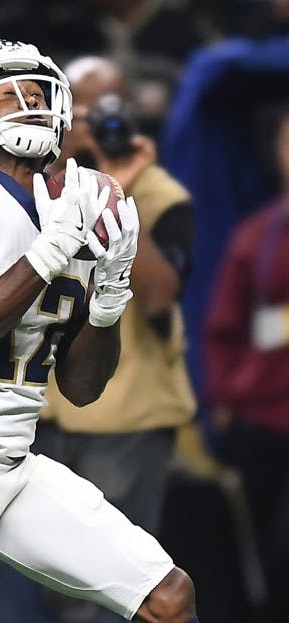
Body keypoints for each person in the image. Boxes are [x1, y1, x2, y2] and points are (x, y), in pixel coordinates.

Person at [0, 39, 197, 623]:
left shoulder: (70, 200)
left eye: (38, 92)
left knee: (168, 598)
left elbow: (81, 388)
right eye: (10, 95)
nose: (32, 106)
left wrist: (109, 296)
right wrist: (49, 252)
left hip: (16, 459)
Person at [0, 55, 197, 623]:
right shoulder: (35, 186)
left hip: (125, 421)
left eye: (104, 109)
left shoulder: (162, 193)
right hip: (41, 413)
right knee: (24, 592)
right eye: (78, 110)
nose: (89, 123)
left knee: (113, 595)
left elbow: (159, 296)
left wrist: (119, 196)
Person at [204, 104, 289, 621]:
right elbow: (223, 328)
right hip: (262, 418)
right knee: (268, 556)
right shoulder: (256, 235)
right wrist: (224, 399)